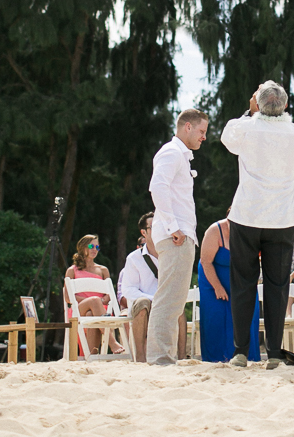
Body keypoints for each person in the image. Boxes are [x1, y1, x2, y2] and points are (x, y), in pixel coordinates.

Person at [221, 81, 294, 368]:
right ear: (285, 105)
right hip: (280, 218)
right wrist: (262, 105)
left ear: (256, 102)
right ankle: (275, 353)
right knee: (277, 286)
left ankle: (241, 352)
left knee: (243, 283)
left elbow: (227, 139)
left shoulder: (244, 126)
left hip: (247, 215)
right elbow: (282, 122)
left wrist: (250, 109)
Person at [148, 108, 209, 366]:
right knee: (169, 298)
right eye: (202, 131)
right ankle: (160, 357)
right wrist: (174, 228)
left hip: (180, 235)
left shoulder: (180, 156)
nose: (204, 137)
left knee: (174, 300)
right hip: (176, 236)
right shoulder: (172, 152)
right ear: (187, 127)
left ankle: (165, 355)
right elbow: (157, 186)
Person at [118, 211, 187, 363]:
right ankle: (141, 359)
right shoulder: (134, 258)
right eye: (154, 227)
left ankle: (182, 358)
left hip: (163, 301)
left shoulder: (171, 255)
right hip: (144, 302)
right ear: (144, 232)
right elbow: (128, 290)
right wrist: (154, 299)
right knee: (143, 304)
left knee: (178, 306)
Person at [197, 215, 261, 363]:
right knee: (216, 318)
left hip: (240, 280)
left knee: (248, 313)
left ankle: (248, 357)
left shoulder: (251, 231)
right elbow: (206, 262)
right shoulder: (215, 230)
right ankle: (216, 360)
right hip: (212, 279)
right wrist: (218, 287)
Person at [64, 234, 125, 355]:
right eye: (91, 246)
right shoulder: (72, 270)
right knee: (93, 302)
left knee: (92, 312)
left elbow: (109, 295)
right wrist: (92, 301)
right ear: (82, 247)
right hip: (78, 309)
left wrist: (98, 302)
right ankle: (112, 343)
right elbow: (68, 297)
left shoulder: (103, 270)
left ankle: (91, 355)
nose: (94, 250)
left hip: (101, 309)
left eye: (97, 247)